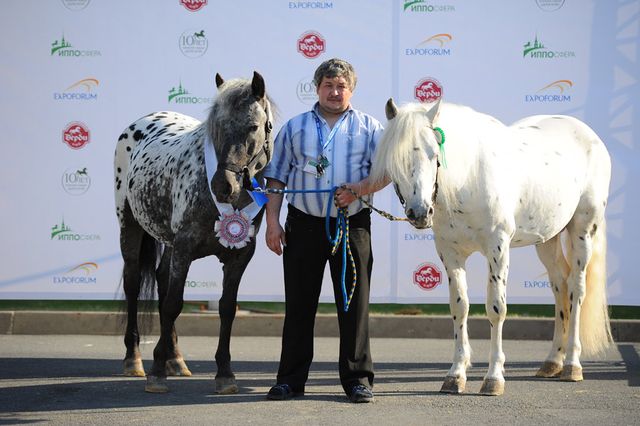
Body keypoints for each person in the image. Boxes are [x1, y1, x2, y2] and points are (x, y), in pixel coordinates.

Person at [263, 58, 386, 403]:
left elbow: (387, 171)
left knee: (354, 305)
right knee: (299, 306)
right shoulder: (295, 127)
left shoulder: (370, 127)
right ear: (317, 88)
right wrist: (272, 222)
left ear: (352, 90)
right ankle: (290, 379)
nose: (335, 92)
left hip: (353, 226)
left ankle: (358, 379)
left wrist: (359, 189)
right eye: (328, 85)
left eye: (341, 86)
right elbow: (276, 177)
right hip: (303, 224)